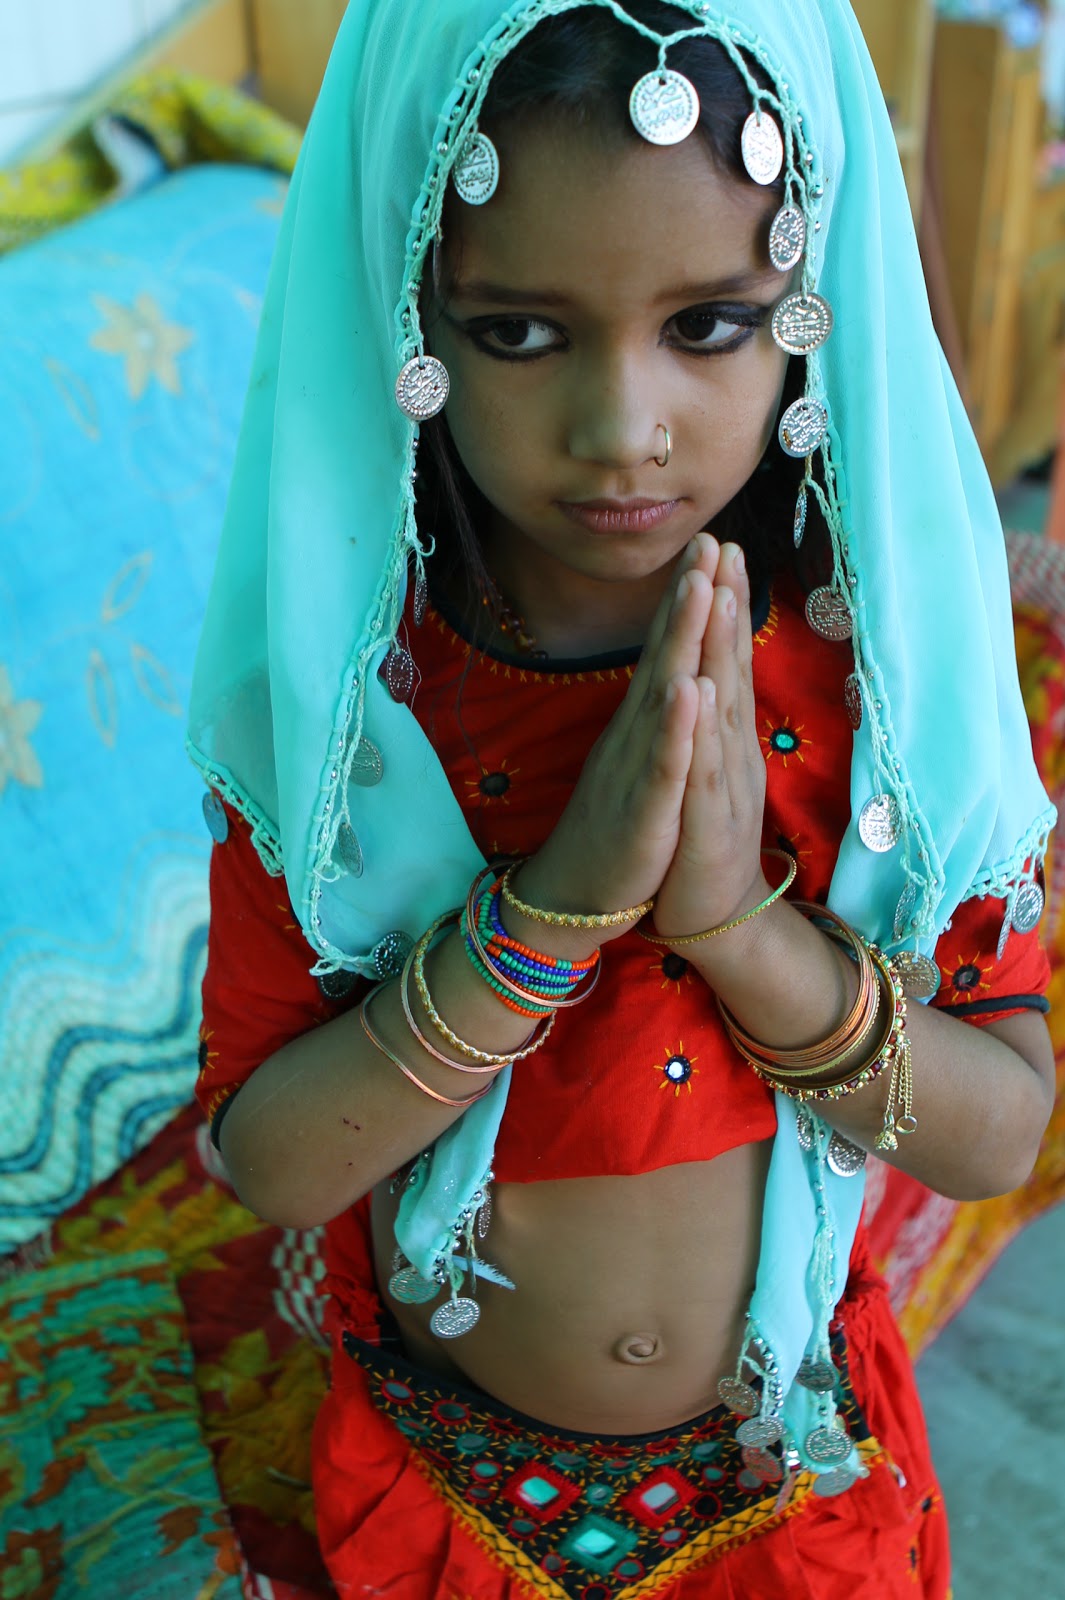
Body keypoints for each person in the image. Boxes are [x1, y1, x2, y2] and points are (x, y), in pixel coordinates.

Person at [188, 1, 1057, 1594]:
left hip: (791, 1512)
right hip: (454, 1510)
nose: (621, 432)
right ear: (409, 312)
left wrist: (737, 931)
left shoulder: (885, 691)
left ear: (808, 305)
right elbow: (273, 1165)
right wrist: (549, 914)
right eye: (520, 334)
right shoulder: (350, 715)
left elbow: (997, 1134)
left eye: (709, 324)